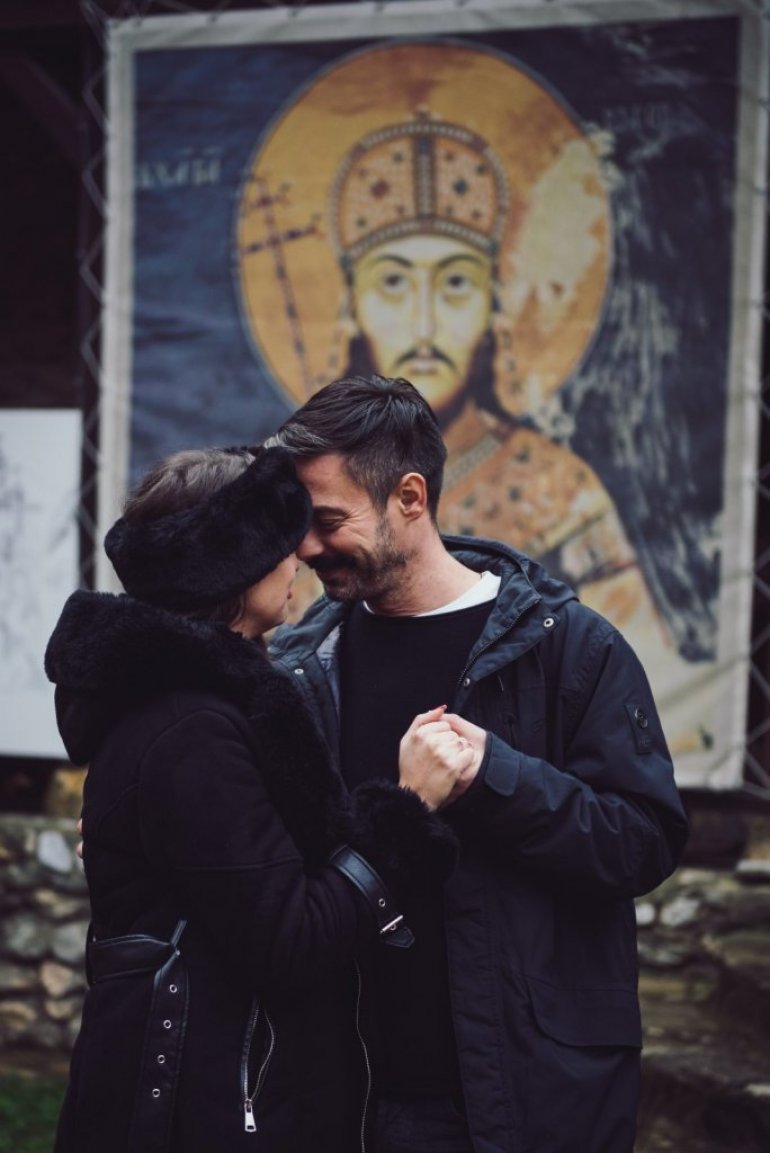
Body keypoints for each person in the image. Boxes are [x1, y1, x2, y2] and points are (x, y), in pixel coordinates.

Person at [266, 374, 690, 1153]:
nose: (305, 547)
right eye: (298, 523)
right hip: (348, 1092)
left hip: (525, 1095)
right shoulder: (299, 665)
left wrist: (492, 776)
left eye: (327, 521)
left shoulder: (570, 647)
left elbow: (644, 840)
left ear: (410, 497)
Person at [44, 444, 471, 1153]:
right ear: (230, 569)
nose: (300, 554)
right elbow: (289, 942)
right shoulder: (191, 730)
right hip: (206, 1112)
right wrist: (409, 806)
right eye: (279, 540)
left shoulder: (201, 707)